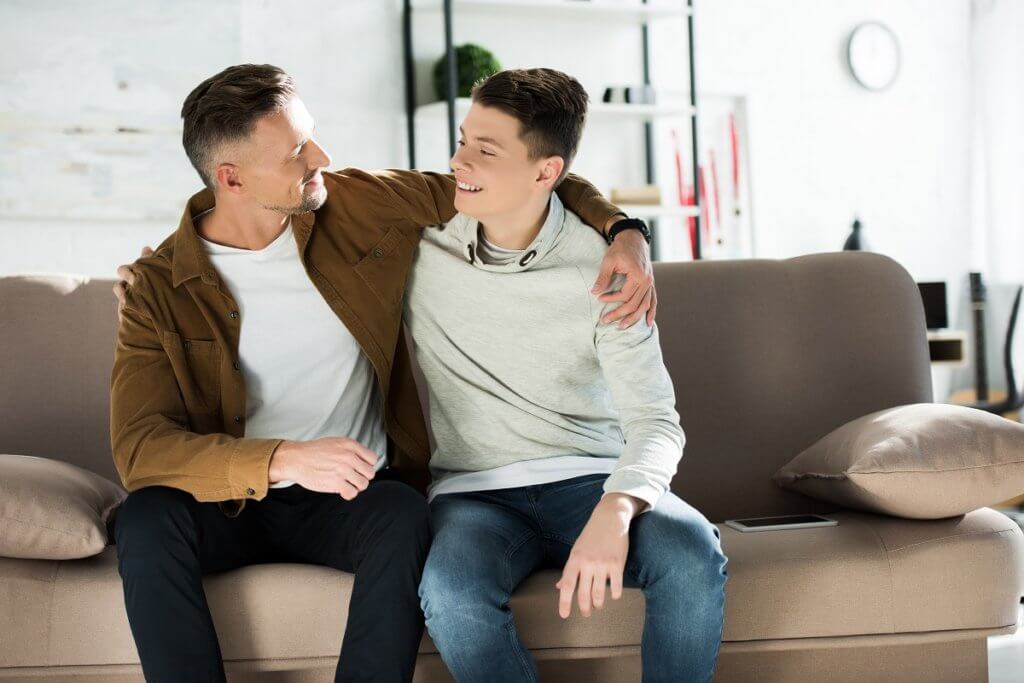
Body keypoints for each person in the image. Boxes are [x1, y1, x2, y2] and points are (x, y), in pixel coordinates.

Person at [109, 63, 655, 683]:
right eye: (295, 151)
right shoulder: (157, 287)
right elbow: (140, 449)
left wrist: (625, 230)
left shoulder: (358, 203)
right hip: (223, 504)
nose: (321, 155)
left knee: (401, 511)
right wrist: (284, 458)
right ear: (230, 177)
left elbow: (515, 176)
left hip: (349, 500)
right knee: (146, 516)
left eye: (310, 134)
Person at [405, 68, 729, 683]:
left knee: (691, 553)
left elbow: (656, 420)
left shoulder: (606, 269)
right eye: (462, 139)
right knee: (450, 592)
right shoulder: (416, 246)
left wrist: (618, 508)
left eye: (484, 149)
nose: (456, 160)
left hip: (590, 478)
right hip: (472, 495)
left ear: (546, 172)